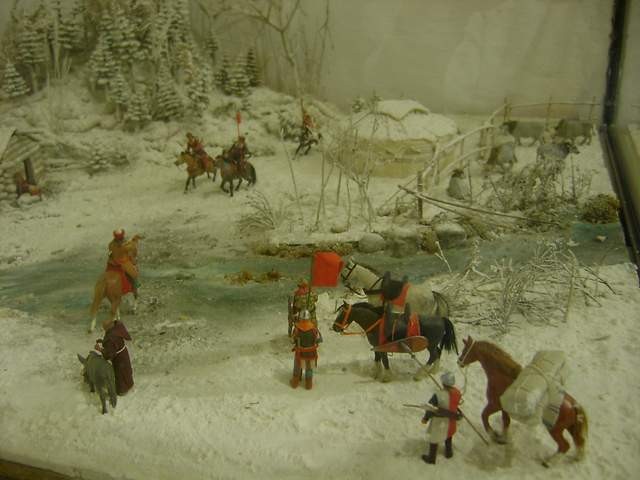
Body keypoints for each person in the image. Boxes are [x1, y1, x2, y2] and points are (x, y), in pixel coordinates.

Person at [421, 371, 463, 464]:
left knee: (434, 438)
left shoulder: (438, 395)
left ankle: (431, 458)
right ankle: (449, 452)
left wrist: (426, 418)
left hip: (440, 422)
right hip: (451, 421)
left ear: (443, 383)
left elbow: (430, 408)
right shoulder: (457, 392)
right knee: (449, 436)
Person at [100, 317, 134, 396]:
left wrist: (100, 349)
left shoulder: (111, 337)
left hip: (119, 358)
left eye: (104, 327)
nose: (103, 329)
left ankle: (122, 390)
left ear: (108, 327)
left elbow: (109, 354)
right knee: (126, 370)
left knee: (120, 374)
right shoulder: (116, 329)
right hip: (123, 353)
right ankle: (129, 384)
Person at [290, 309, 322, 390]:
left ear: (300, 318)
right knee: (309, 368)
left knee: (297, 366)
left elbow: (292, 341)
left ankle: (295, 382)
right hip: (311, 353)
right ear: (309, 318)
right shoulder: (314, 329)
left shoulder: (296, 329)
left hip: (299, 353)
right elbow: (319, 339)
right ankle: (308, 384)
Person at [107, 229, 141, 294]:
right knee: (135, 275)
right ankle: (135, 289)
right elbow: (132, 249)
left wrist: (111, 258)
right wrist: (135, 240)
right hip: (123, 262)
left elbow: (110, 253)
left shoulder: (110, 244)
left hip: (113, 262)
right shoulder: (125, 245)